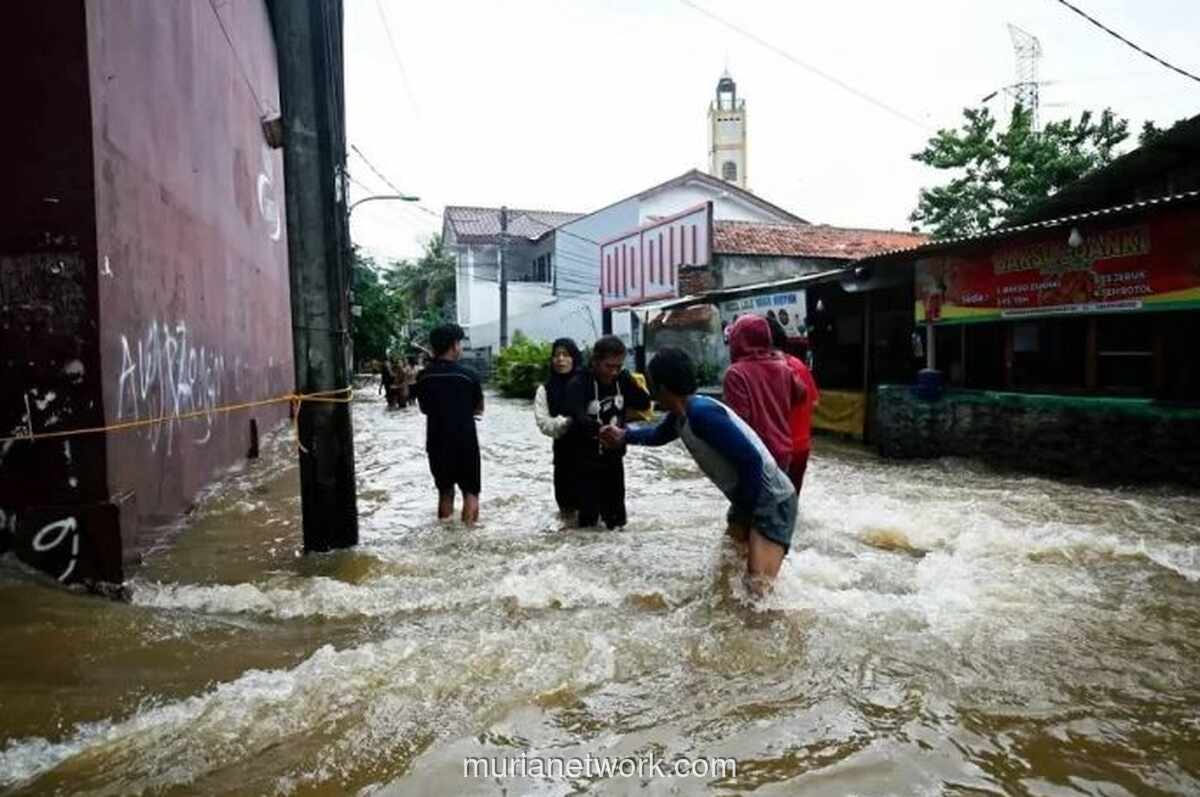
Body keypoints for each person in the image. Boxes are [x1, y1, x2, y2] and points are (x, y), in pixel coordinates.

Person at [601, 348, 798, 597]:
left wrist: (746, 516)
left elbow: (751, 462)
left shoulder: (702, 414)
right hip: (748, 498)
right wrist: (624, 436)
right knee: (727, 576)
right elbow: (657, 435)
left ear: (661, 386)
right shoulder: (681, 415)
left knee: (757, 592)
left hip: (771, 501)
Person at [562, 335, 651, 529]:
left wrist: (628, 378)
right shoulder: (578, 383)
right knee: (588, 524)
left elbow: (644, 402)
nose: (613, 371)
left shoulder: (622, 379)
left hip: (614, 458)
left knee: (617, 522)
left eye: (618, 366)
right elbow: (576, 416)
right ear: (595, 361)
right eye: (608, 366)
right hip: (584, 461)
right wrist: (600, 430)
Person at [413, 323, 484, 524]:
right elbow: (479, 408)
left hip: (436, 443)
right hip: (465, 442)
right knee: (470, 492)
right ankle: (469, 537)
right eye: (460, 343)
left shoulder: (423, 377)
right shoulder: (469, 376)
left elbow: (423, 409)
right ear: (454, 346)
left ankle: (445, 532)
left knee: (445, 492)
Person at [723, 315, 805, 473]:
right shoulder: (783, 368)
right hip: (783, 453)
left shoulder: (735, 373)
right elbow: (801, 394)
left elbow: (739, 422)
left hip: (755, 457)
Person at [767, 317, 820, 493]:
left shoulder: (764, 369)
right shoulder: (798, 364)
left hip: (774, 450)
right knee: (790, 504)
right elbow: (814, 403)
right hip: (801, 447)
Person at [533, 337, 582, 518]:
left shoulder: (588, 383)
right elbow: (544, 423)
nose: (560, 359)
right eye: (556, 355)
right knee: (566, 510)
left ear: (574, 358)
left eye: (566, 355)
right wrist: (565, 422)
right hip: (564, 456)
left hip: (591, 455)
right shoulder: (544, 390)